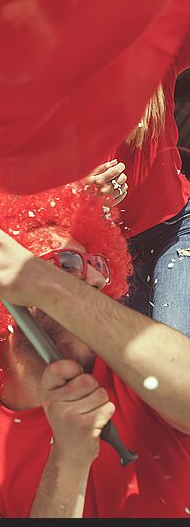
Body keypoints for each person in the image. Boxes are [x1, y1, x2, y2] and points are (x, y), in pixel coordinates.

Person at [0, 184, 190, 517]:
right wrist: (68, 460)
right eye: (66, 264)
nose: (96, 279)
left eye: (96, 264)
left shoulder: (142, 377)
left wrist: (52, 285)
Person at [104, 63, 190, 337]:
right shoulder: (42, 80)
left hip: (174, 232)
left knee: (173, 357)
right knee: (124, 370)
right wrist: (79, 191)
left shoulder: (151, 44)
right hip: (97, 254)